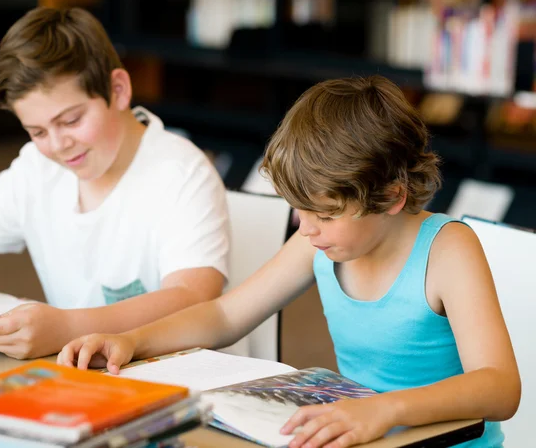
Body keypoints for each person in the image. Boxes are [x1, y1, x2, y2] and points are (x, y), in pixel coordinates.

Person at [57, 76, 520, 448]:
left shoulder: (447, 250)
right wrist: (132, 340)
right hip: (357, 434)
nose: (307, 227)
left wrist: (386, 408)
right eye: (300, 209)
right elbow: (225, 315)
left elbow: (500, 387)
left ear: (392, 196)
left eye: (326, 213)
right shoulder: (318, 241)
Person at [0, 7, 229, 360]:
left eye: (71, 120)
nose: (59, 145)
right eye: (38, 131)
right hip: (82, 371)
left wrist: (67, 328)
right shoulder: (36, 169)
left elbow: (193, 299)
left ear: (118, 89)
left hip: (177, 373)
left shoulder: (181, 173)